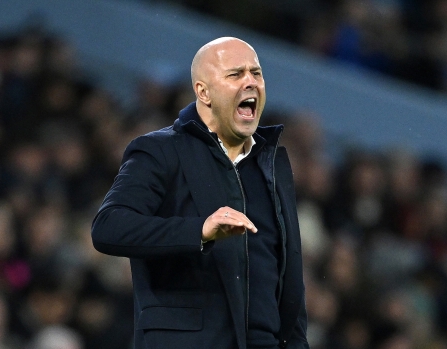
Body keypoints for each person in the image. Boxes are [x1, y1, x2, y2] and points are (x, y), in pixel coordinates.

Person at [91, 36, 309, 349]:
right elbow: (108, 227)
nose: (250, 82)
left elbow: (288, 279)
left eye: (256, 73)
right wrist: (200, 231)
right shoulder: (160, 151)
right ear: (203, 92)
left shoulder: (272, 165)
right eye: (235, 74)